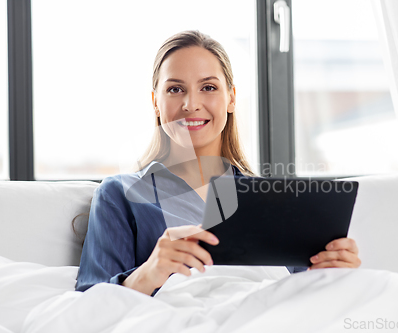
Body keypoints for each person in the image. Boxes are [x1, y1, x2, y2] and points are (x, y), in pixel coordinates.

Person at [75, 30, 361, 296]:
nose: (191, 104)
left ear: (231, 98)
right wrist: (150, 272)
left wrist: (333, 273)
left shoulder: (271, 200)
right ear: (155, 102)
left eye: (208, 87)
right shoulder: (120, 194)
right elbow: (91, 304)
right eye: (175, 89)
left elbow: (304, 295)